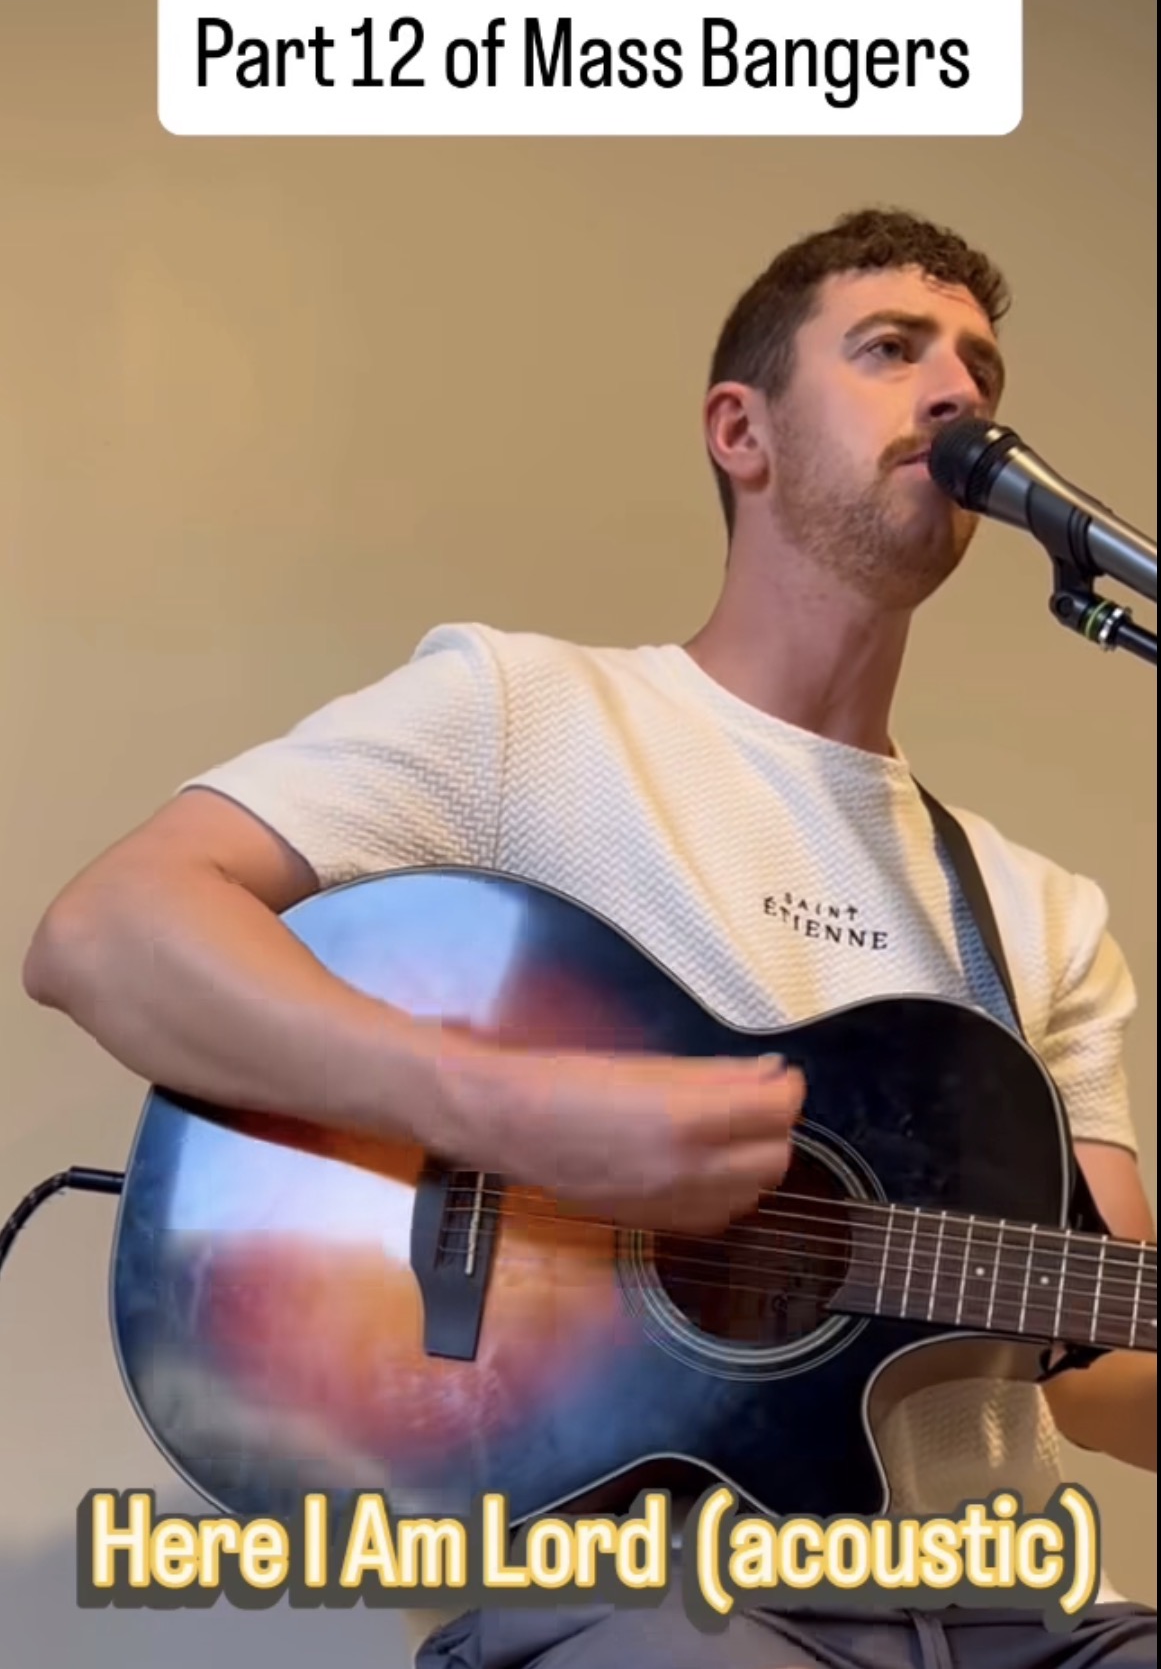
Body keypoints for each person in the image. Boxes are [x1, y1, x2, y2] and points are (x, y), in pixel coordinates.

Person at [23, 208, 1157, 1668]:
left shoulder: (1037, 912)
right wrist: (523, 1114)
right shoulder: (520, 716)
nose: (955, 394)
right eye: (890, 349)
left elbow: (1092, 1355)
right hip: (644, 1598)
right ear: (738, 431)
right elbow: (111, 929)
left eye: (980, 370)